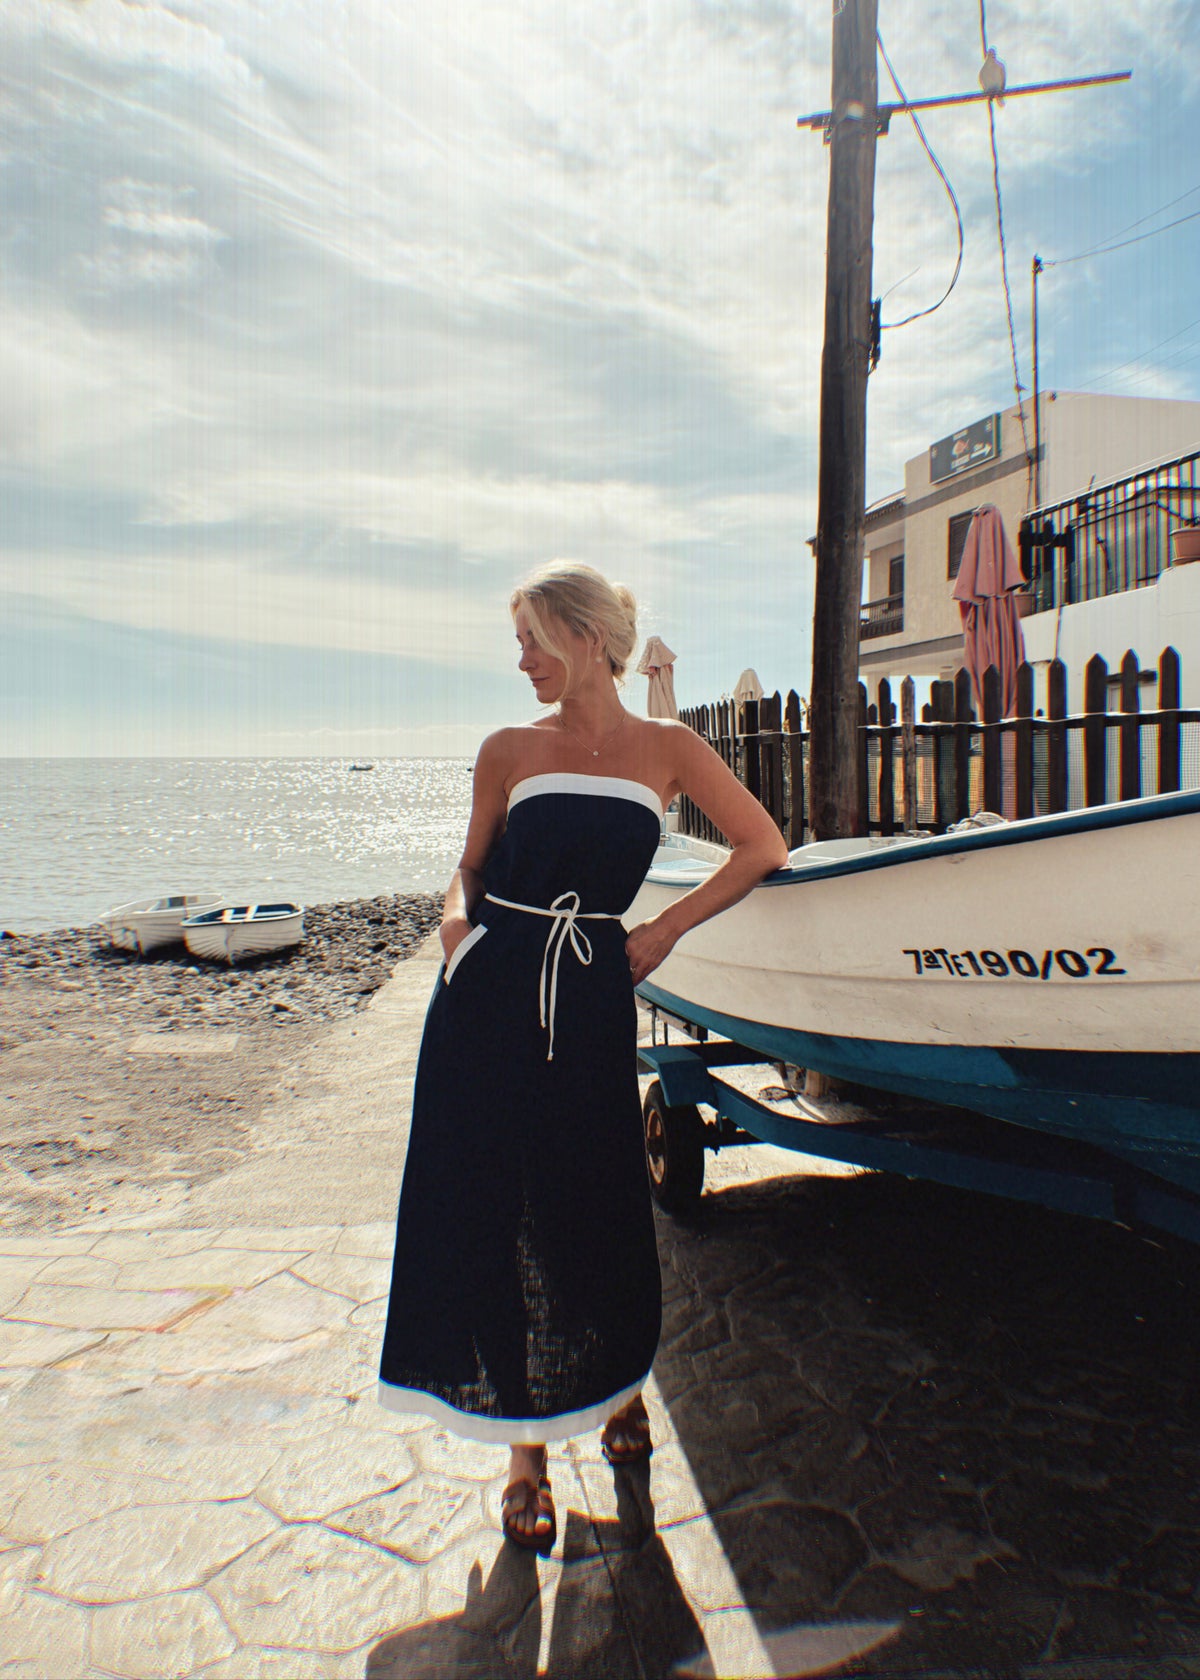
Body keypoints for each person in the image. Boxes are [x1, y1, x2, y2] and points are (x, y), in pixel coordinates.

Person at [377, 562, 788, 1551]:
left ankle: (614, 1389)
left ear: (581, 634)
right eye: (517, 644)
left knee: (595, 1196)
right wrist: (453, 933)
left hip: (592, 992)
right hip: (484, 998)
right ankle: (523, 1455)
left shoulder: (671, 747)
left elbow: (762, 845)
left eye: (530, 640)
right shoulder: (508, 748)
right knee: (492, 1203)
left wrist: (662, 935)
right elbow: (468, 871)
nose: (519, 662)